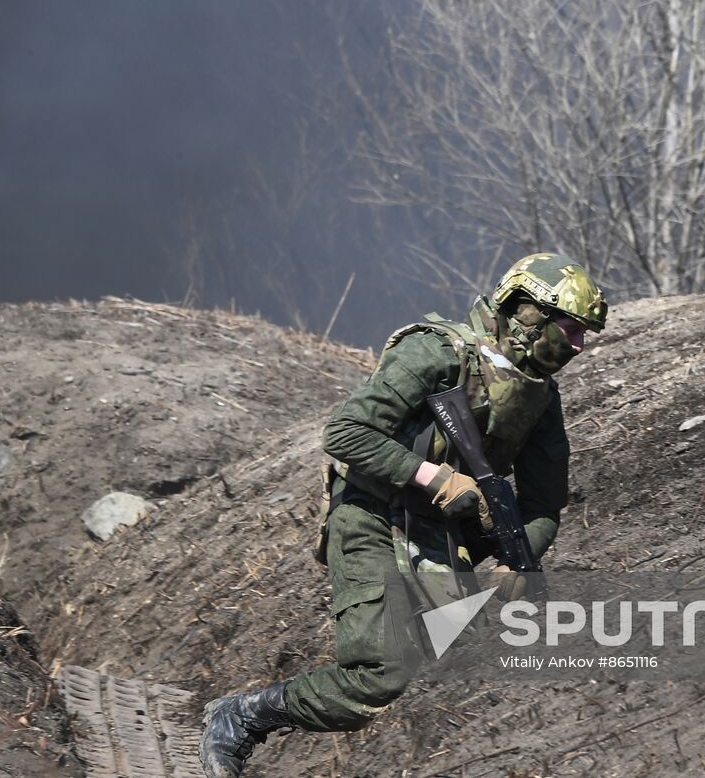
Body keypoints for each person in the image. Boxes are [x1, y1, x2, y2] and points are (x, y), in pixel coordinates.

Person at [199, 253, 608, 778]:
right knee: (379, 674)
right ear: (529, 314)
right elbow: (345, 433)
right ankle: (242, 716)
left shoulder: (539, 399)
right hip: (372, 512)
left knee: (459, 649)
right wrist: (432, 477)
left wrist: (518, 557)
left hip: (437, 532)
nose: (578, 346)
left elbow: (544, 505)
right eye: (572, 329)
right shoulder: (435, 352)